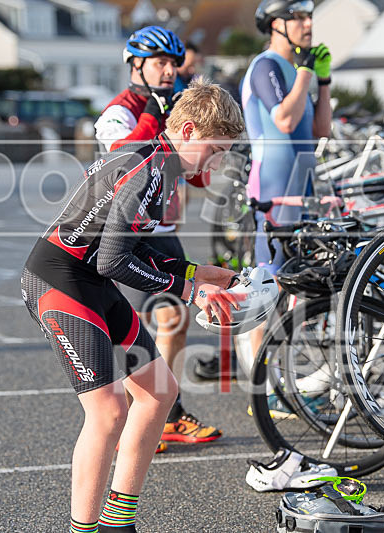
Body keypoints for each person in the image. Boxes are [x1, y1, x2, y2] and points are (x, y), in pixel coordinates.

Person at [21, 78, 246, 533]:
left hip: (89, 277)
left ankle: (117, 523)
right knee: (107, 412)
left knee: (158, 391)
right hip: (59, 278)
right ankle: (82, 529)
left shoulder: (163, 167)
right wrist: (192, 291)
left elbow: (128, 250)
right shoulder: (147, 169)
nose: (218, 162)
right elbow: (114, 258)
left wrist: (195, 272)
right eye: (215, 149)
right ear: (185, 131)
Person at [94, 26, 222, 446]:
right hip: (125, 237)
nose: (170, 71)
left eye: (173, 63)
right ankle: (148, 412)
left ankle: (165, 411)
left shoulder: (176, 103)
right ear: (136, 65)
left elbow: (198, 178)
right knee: (141, 325)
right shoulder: (121, 110)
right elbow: (125, 154)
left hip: (164, 230)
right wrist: (155, 110)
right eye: (160, 63)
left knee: (176, 318)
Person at [237, 0, 331, 408]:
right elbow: (285, 121)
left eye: (310, 17)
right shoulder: (267, 67)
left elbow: (319, 130)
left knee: (298, 289)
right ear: (277, 24)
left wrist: (322, 83)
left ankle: (286, 385)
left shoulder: (297, 71)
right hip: (274, 191)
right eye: (299, 18)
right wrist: (308, 71)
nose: (309, 24)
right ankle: (265, 391)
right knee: (269, 287)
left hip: (301, 186)